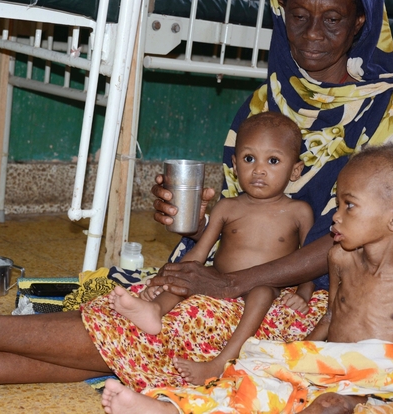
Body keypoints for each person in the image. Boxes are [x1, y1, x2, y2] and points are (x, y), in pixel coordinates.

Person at [0, 0, 393, 411]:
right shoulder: (268, 103)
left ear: (361, 21)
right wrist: (188, 220)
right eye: (297, 16)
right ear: (280, 15)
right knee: (145, 301)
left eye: (332, 18)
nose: (313, 34)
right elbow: (246, 205)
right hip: (251, 273)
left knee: (180, 324)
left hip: (317, 299)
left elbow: (356, 244)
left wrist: (232, 280)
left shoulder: (391, 109)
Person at [100, 143, 393, 414]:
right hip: (332, 365)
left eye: (348, 206)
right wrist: (292, 354)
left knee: (347, 405)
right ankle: (170, 407)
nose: (336, 217)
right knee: (252, 372)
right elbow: (330, 319)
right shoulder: (339, 259)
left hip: (386, 376)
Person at [110, 112, 315, 385]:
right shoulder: (227, 207)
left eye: (273, 161)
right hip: (214, 281)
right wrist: (169, 280)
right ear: (234, 163)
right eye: (249, 158)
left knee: (262, 292)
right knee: (190, 272)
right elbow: (199, 252)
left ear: (295, 170)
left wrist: (303, 293)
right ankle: (154, 311)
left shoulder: (299, 212)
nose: (259, 170)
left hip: (266, 288)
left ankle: (220, 362)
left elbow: (308, 259)